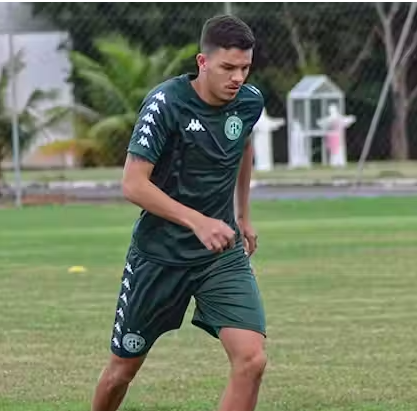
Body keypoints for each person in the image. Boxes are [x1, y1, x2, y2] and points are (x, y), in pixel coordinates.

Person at [91, 14, 267, 411]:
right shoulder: (165, 103)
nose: (237, 78)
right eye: (228, 67)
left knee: (252, 360)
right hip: (160, 256)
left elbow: (243, 145)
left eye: (245, 68)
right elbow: (133, 184)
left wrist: (242, 215)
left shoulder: (249, 102)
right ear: (203, 62)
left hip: (220, 256)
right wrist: (198, 221)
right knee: (121, 371)